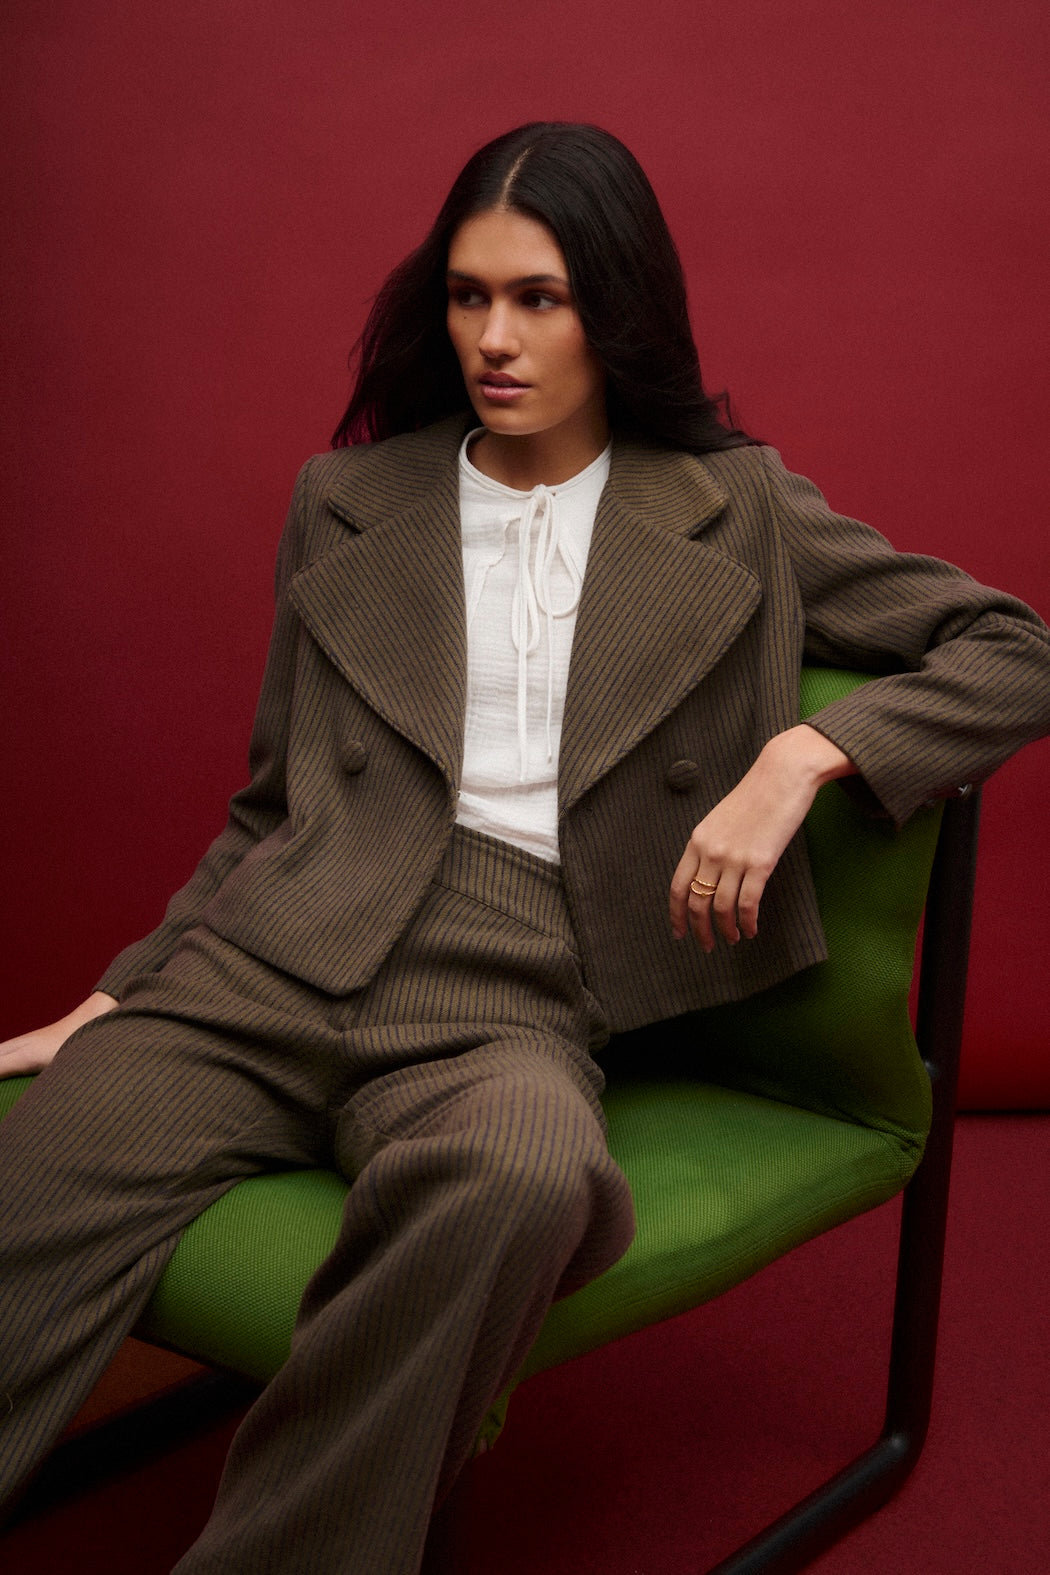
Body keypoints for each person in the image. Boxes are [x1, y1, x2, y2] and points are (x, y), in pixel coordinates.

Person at [1, 121, 1048, 1575]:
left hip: (508, 993)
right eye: (468, 295)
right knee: (28, 1180)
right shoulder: (347, 500)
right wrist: (124, 991)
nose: (494, 338)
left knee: (523, 1175)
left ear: (614, 309)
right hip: (270, 965)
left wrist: (804, 756)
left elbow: (1014, 647)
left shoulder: (736, 507)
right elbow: (273, 808)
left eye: (538, 298)